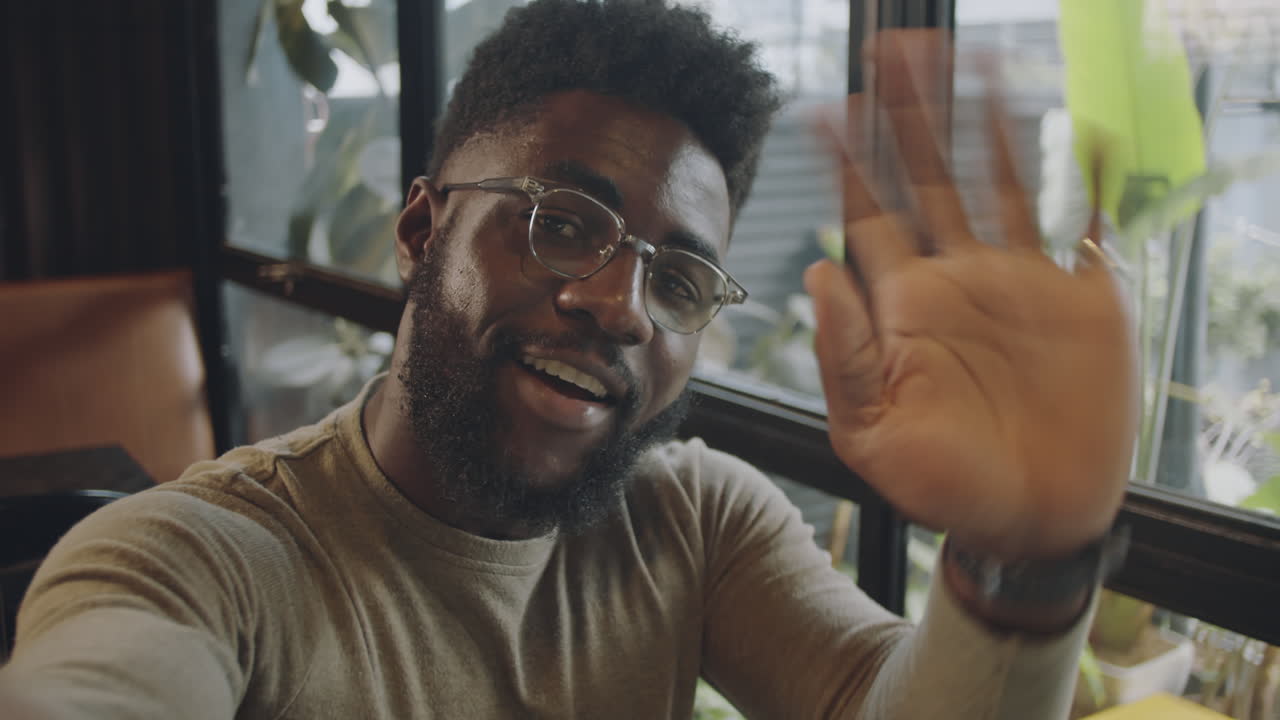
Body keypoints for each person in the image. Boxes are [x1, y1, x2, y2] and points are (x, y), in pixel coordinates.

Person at [0, 1, 1137, 718]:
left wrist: (1017, 561)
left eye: (677, 278)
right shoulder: (197, 563)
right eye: (561, 221)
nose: (619, 306)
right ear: (419, 230)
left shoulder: (691, 521)